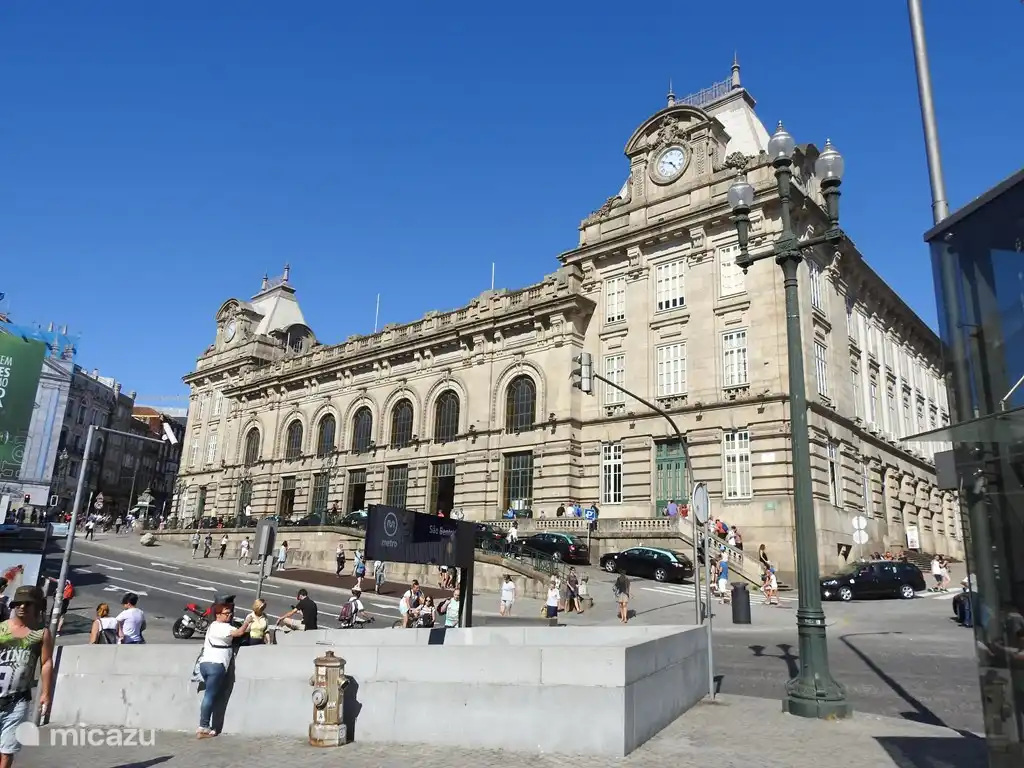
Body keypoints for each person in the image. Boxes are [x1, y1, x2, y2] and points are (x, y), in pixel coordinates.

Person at [0, 586, 53, 764]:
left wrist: (46, 693)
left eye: (27, 603)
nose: (22, 607)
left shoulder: (41, 633)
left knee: (7, 749)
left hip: (18, 700)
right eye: (18, 603)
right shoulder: (1, 629)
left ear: (37, 606)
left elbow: (46, 662)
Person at [196, 602, 251, 738]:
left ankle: (206, 726)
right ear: (218, 615)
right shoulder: (222, 627)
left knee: (210, 695)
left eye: (230, 613)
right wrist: (247, 621)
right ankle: (203, 727)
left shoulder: (213, 626)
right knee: (210, 696)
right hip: (217, 664)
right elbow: (239, 632)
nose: (229, 615)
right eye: (226, 613)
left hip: (205, 664)